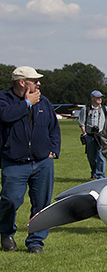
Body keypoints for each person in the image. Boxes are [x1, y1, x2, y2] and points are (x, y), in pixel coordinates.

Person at [0, 65, 61, 254]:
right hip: (14, 162)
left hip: (42, 161)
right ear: (21, 83)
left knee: (42, 204)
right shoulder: (4, 99)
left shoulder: (43, 101)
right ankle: (6, 233)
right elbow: (5, 116)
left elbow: (53, 127)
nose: (38, 83)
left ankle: (36, 242)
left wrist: (53, 150)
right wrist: (26, 104)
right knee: (10, 200)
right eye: (34, 80)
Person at [77, 89, 107, 179]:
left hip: (101, 136)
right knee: (91, 157)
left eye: (100, 97)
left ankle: (100, 175)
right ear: (92, 98)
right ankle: (94, 172)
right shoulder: (85, 109)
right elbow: (81, 123)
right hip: (90, 136)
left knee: (100, 156)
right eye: (97, 97)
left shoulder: (105, 109)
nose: (100, 99)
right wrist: (85, 134)